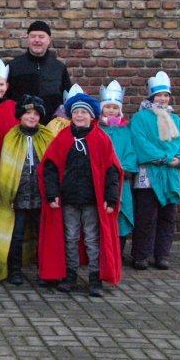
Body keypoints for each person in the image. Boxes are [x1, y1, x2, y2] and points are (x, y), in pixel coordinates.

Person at [39, 92, 123, 297]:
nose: (79, 115)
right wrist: (52, 194)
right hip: (68, 200)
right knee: (70, 238)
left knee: (93, 239)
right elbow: (50, 167)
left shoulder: (101, 139)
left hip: (92, 201)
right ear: (70, 115)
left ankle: (95, 278)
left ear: (92, 115)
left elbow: (112, 170)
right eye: (76, 112)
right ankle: (70, 275)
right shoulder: (63, 138)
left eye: (84, 112)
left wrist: (110, 198)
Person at [130, 71, 180, 271]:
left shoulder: (177, 120)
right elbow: (140, 142)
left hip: (171, 174)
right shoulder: (140, 118)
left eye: (166, 95)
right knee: (146, 216)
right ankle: (140, 255)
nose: (163, 98)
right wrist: (165, 158)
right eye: (159, 95)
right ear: (151, 96)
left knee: (168, 217)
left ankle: (162, 255)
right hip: (149, 174)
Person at [0, 95, 54, 284]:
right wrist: (8, 193)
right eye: (28, 113)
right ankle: (15, 271)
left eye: (36, 114)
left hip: (40, 196)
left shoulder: (47, 136)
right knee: (16, 235)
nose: (32, 117)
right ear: (20, 115)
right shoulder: (11, 137)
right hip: (18, 196)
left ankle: (45, 271)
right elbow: (6, 167)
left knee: (42, 235)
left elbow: (53, 166)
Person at [99, 80, 138, 256]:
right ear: (102, 109)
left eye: (115, 108)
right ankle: (102, 252)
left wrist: (124, 169)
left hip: (122, 180)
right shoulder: (97, 129)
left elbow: (131, 152)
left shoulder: (126, 130)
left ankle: (118, 251)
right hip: (101, 180)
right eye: (108, 107)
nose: (111, 111)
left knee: (121, 216)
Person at [5, 21, 73, 123]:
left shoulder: (59, 68)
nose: (37, 40)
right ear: (28, 39)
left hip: (51, 127)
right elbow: (6, 99)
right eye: (33, 36)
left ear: (49, 40)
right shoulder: (14, 66)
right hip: (20, 126)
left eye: (41, 37)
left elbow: (67, 99)